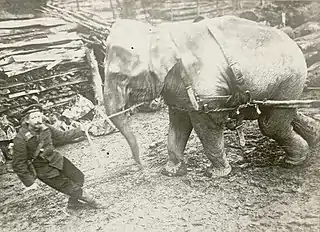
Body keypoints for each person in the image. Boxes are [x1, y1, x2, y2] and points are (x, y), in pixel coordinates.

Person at [12, 104, 100, 209]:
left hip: (56, 159)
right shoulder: (20, 139)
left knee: (78, 177)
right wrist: (29, 182)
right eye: (34, 118)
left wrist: (80, 129)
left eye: (39, 116)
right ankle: (93, 202)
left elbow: (62, 136)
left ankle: (73, 203)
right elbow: (18, 164)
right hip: (43, 169)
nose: (38, 120)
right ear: (27, 120)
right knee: (70, 187)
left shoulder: (46, 127)